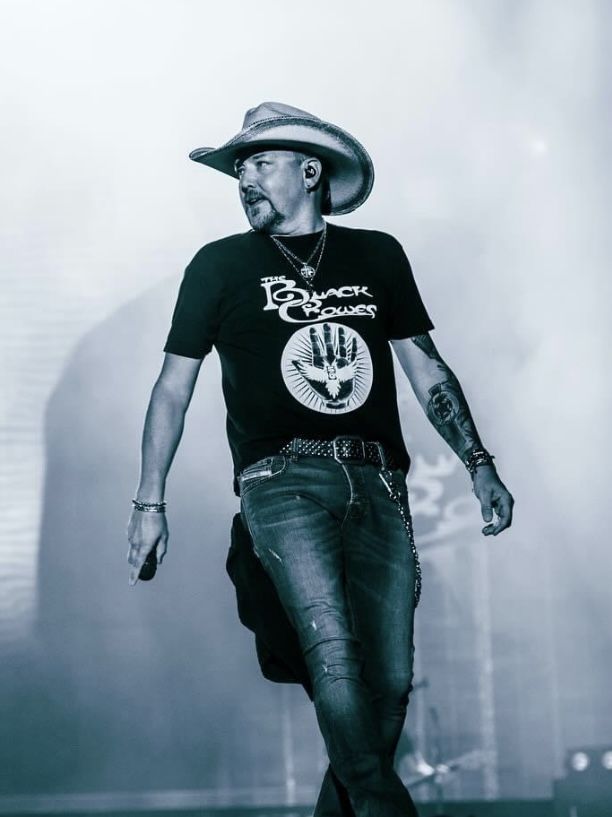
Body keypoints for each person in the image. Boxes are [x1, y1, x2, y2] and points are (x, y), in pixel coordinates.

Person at [126, 101, 514, 817]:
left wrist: (478, 461)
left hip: (378, 479)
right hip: (281, 481)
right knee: (331, 649)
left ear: (310, 170)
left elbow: (426, 369)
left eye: (259, 163)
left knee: (390, 680)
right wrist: (150, 500)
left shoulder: (377, 254)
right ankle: (384, 807)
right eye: (237, 169)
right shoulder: (218, 265)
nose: (244, 178)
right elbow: (172, 389)